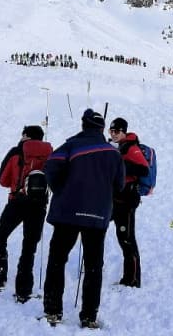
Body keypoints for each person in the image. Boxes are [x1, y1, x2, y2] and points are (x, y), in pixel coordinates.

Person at [41, 109, 124, 328]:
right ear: (101, 128)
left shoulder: (70, 146)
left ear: (83, 125)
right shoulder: (114, 153)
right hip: (97, 215)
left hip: (67, 213)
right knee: (94, 266)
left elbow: (50, 166)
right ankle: (88, 316)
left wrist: (60, 189)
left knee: (57, 261)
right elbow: (120, 185)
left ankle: (52, 311)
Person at [0, 125, 53, 302]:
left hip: (17, 201)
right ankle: (24, 290)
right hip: (39, 206)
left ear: (25, 136)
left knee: (0, 235)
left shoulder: (16, 151)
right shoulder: (50, 153)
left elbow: (3, 180)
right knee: (29, 246)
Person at [108, 117, 149, 288]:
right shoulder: (117, 147)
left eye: (116, 131)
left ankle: (132, 279)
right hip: (116, 199)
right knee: (120, 236)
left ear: (124, 131)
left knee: (127, 238)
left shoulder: (132, 148)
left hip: (127, 201)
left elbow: (144, 169)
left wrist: (121, 163)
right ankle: (128, 277)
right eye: (111, 131)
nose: (113, 134)